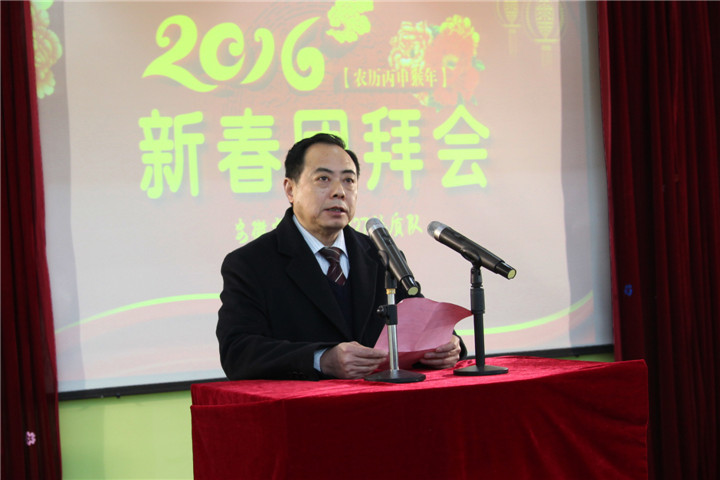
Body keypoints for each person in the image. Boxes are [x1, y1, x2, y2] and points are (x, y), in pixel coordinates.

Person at [217, 133, 464, 380]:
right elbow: (237, 352)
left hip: (383, 401)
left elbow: (421, 323)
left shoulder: (381, 255)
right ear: (291, 190)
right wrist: (322, 359)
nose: (339, 192)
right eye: (323, 179)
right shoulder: (250, 263)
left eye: (348, 181)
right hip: (307, 402)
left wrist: (448, 346)